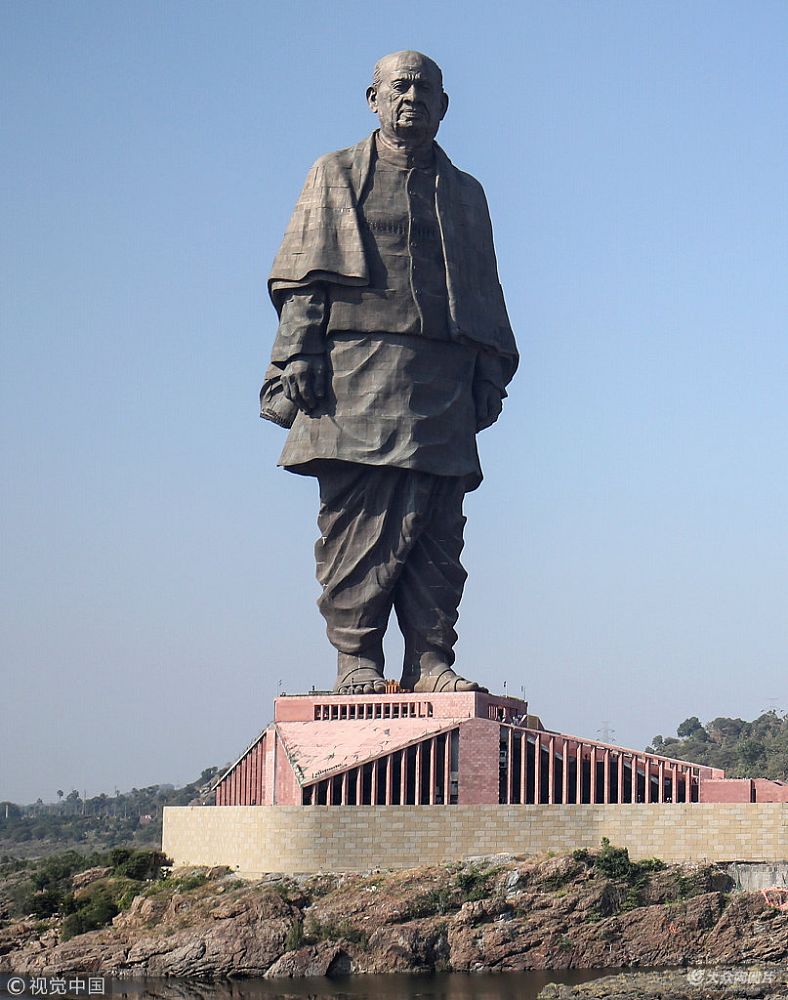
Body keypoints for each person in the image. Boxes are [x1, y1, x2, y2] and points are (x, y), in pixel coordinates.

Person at [262, 51, 518, 695]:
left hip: (442, 378)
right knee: (358, 520)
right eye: (400, 86)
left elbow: (485, 291)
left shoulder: (466, 193)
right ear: (372, 97)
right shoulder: (335, 173)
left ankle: (430, 659)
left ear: (444, 105)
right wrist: (300, 352)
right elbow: (303, 278)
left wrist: (489, 372)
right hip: (355, 373)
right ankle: (357, 657)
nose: (412, 98)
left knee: (439, 525)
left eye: (426, 89)